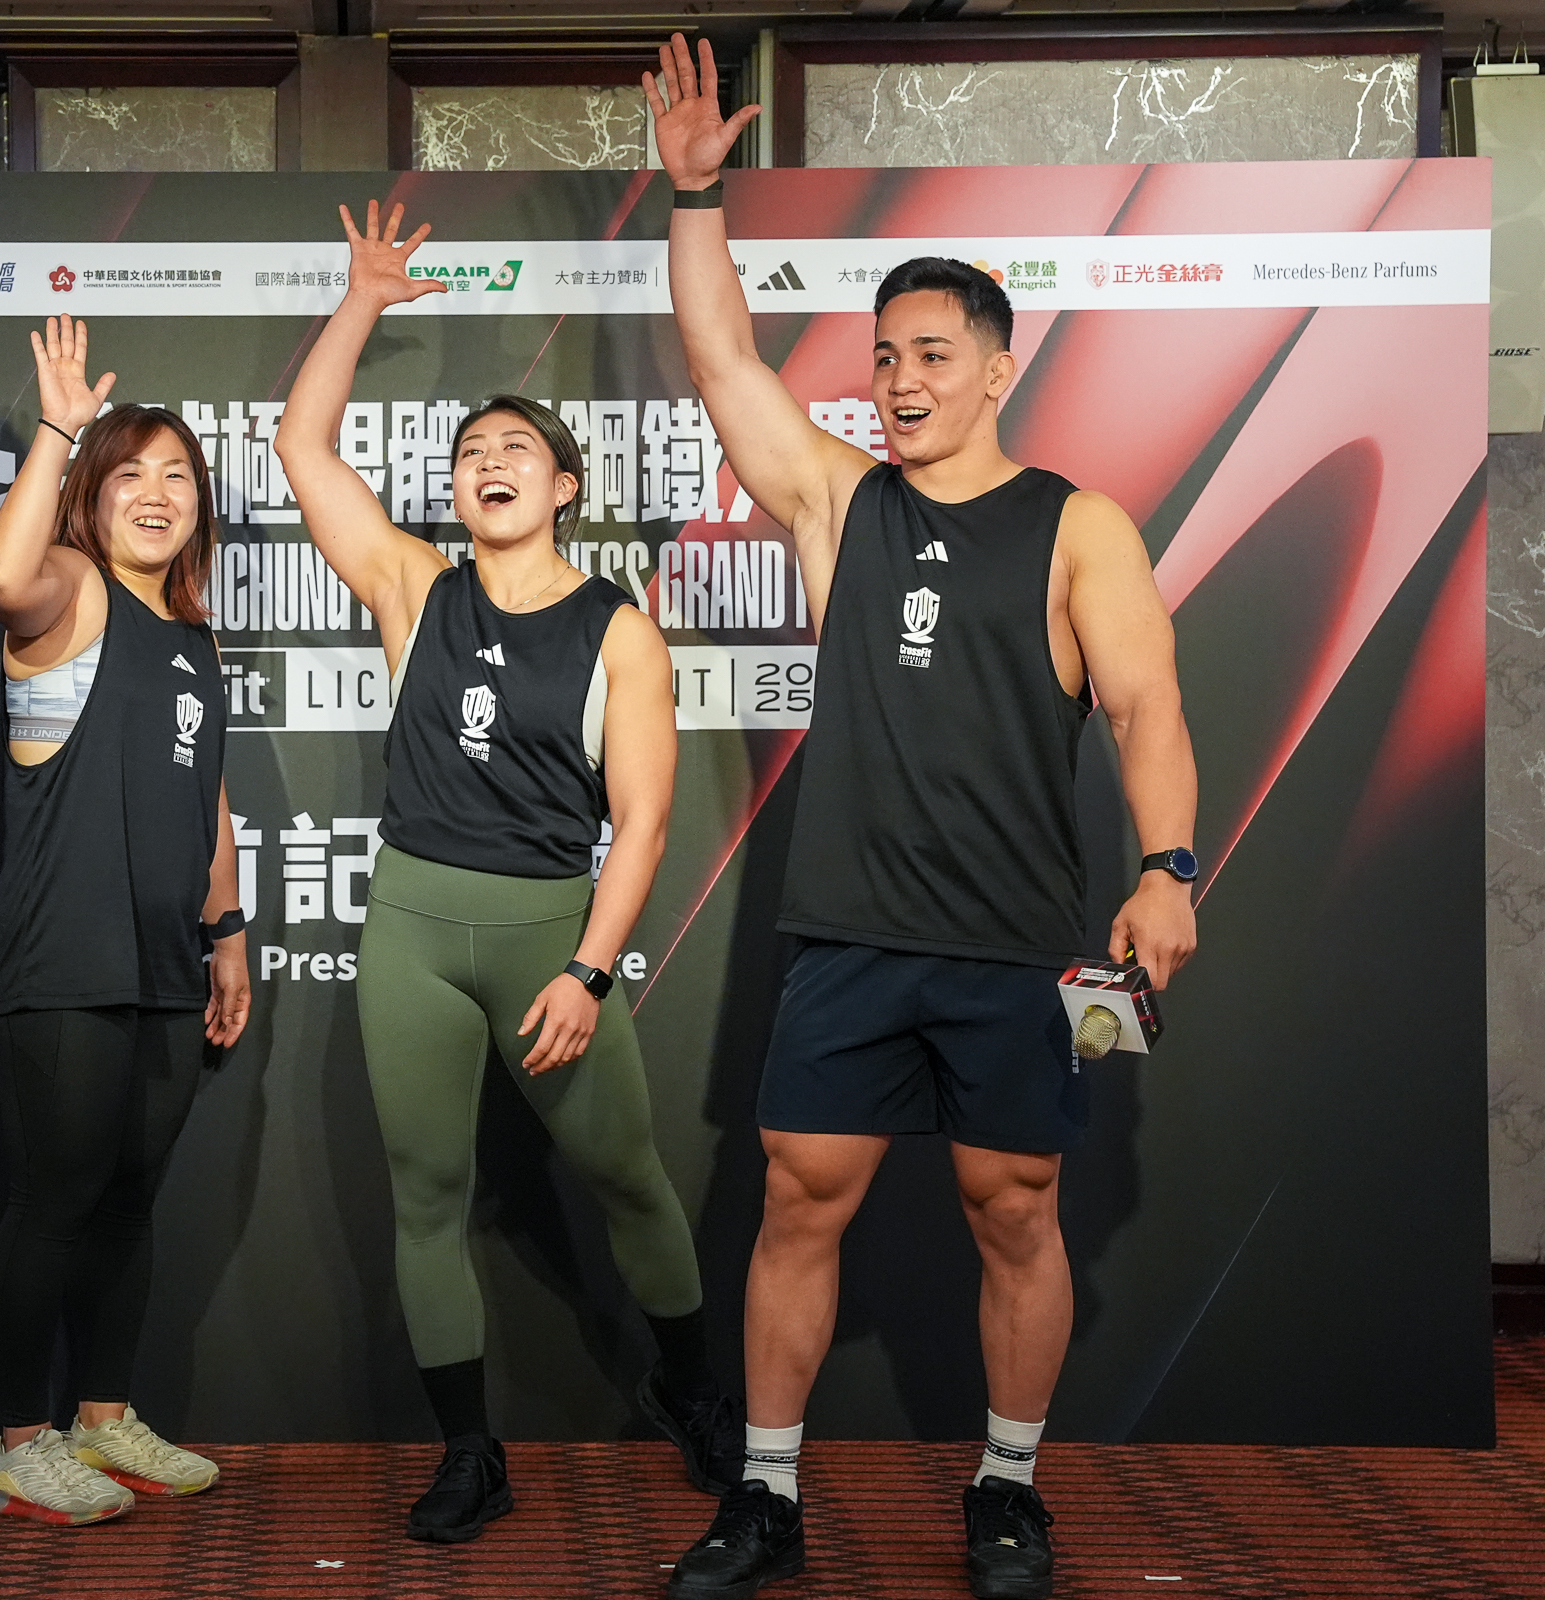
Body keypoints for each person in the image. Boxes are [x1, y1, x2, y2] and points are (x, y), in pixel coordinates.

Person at [647, 35, 1201, 1600]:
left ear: (998, 369)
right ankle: (766, 1498)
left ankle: (1008, 1488)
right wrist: (696, 199)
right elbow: (723, 364)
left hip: (1015, 944)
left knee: (1014, 1210)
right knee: (796, 1199)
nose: (900, 382)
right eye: (885, 356)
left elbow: (1151, 712)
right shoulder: (843, 502)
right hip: (848, 935)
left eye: (934, 356)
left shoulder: (1079, 527)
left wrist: (1169, 867)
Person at [273, 202, 737, 1545]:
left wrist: (588, 971)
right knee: (427, 1199)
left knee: (632, 1180)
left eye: (516, 449)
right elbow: (302, 446)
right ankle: (471, 1454)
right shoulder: (413, 589)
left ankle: (692, 1391)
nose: (489, 462)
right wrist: (361, 299)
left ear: (565, 487)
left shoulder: (618, 630)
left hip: (548, 942)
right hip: (412, 932)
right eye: (471, 451)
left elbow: (643, 823)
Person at [0, 316, 252, 1526]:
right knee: (58, 1198)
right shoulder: (73, 595)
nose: (157, 493)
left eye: (178, 475)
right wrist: (57, 430)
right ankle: (14, 1443)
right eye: (130, 472)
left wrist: (227, 933)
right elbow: (4, 578)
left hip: (164, 964)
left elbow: (210, 800)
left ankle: (102, 1414)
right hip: (65, 958)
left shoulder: (191, 638)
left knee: (130, 1195)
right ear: (91, 494)